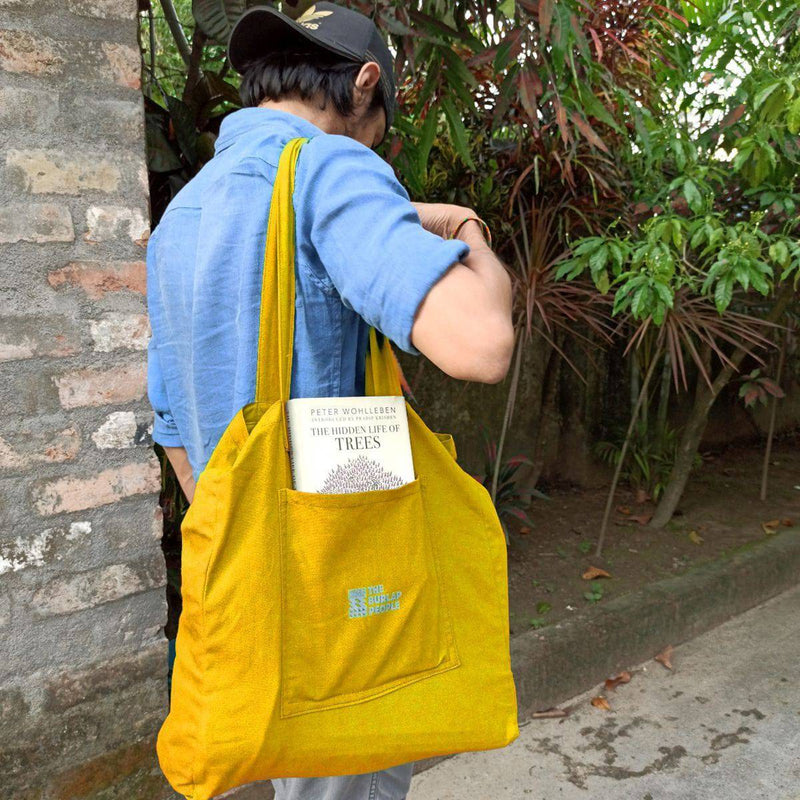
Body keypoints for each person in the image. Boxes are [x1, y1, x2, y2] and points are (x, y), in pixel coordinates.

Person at [145, 3, 514, 798]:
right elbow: (482, 344)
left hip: (247, 585)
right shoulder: (331, 168)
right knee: (348, 771)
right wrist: (468, 232)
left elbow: (173, 422)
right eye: (382, 127)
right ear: (365, 85)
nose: (377, 144)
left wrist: (251, 536)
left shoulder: (181, 215)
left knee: (297, 772)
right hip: (347, 588)